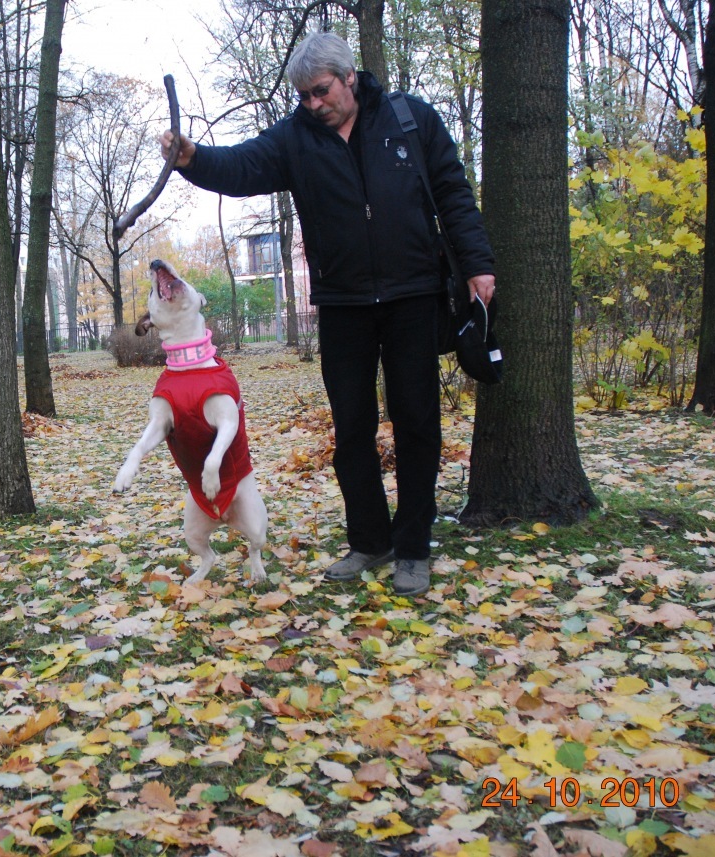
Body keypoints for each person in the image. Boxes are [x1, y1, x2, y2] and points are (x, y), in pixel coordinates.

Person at [161, 31, 494, 596]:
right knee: (352, 430)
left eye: (321, 92)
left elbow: (454, 191)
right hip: (342, 305)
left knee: (418, 423)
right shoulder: (296, 138)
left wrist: (477, 265)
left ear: (349, 77)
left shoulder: (410, 119)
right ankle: (370, 539)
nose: (313, 104)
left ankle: (413, 545)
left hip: (414, 295)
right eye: (304, 96)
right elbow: (242, 167)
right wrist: (193, 158)